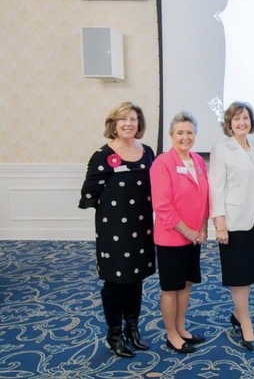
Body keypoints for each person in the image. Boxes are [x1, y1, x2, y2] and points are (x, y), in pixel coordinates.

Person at [78, 101, 156, 358]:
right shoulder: (103, 155)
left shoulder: (147, 152)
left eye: (133, 119)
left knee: (136, 278)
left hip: (141, 226)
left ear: (139, 124)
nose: (128, 124)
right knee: (115, 282)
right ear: (113, 124)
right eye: (123, 119)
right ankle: (114, 334)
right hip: (114, 230)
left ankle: (132, 328)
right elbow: (90, 193)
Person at [209, 101, 254, 352]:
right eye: (237, 118)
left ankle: (238, 315)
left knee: (252, 271)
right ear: (229, 123)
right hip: (234, 222)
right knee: (239, 274)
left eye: (245, 118)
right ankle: (245, 322)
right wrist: (219, 224)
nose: (242, 122)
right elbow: (216, 188)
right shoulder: (221, 148)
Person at [150, 112, 209, 354]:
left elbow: (205, 197)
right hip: (172, 238)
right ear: (171, 135)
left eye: (190, 132)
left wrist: (203, 227)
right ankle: (171, 334)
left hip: (194, 237)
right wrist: (188, 232)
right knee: (171, 288)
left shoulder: (198, 160)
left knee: (186, 284)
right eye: (180, 133)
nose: (185, 137)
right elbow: (162, 206)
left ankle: (181, 328)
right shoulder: (162, 163)